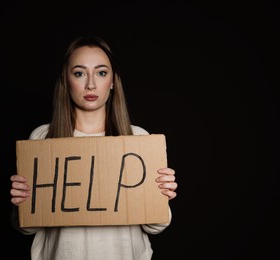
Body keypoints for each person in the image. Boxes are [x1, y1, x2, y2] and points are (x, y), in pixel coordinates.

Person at [10, 35, 178, 260]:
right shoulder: (42, 138)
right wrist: (20, 203)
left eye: (101, 73)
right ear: (65, 79)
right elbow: (27, 227)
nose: (91, 84)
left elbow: (155, 227)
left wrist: (160, 196)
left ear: (112, 82)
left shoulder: (138, 139)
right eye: (79, 73)